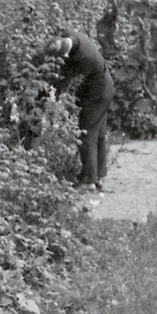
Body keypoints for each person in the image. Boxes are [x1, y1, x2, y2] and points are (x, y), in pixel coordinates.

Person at [46, 29, 115, 192]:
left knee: (87, 133)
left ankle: (88, 181)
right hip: (105, 86)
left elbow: (71, 84)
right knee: (99, 134)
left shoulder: (83, 59)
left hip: (98, 93)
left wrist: (57, 96)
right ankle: (98, 177)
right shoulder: (69, 35)